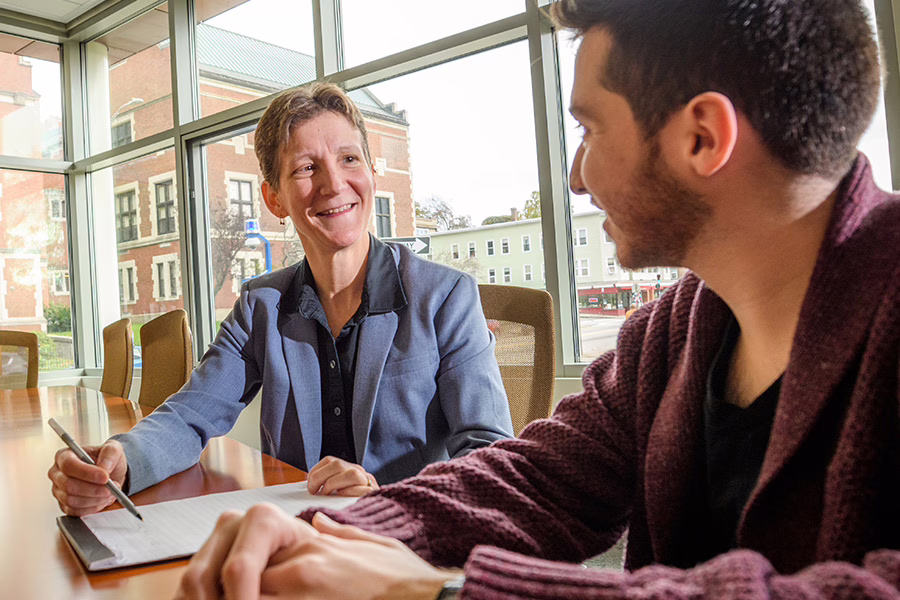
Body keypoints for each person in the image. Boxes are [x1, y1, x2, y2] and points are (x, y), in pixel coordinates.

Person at [175, 0, 900, 598]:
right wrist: (339, 535)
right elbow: (532, 480)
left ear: (703, 138)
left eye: (589, 129)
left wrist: (434, 592)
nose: (576, 175)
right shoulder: (668, 337)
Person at [48, 83, 513, 514]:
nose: (334, 184)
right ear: (274, 199)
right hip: (294, 535)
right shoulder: (260, 306)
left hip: (404, 543)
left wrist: (386, 499)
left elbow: (490, 453)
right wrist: (121, 461)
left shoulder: (445, 296)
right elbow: (191, 413)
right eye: (307, 168)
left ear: (372, 174)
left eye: (349, 159)